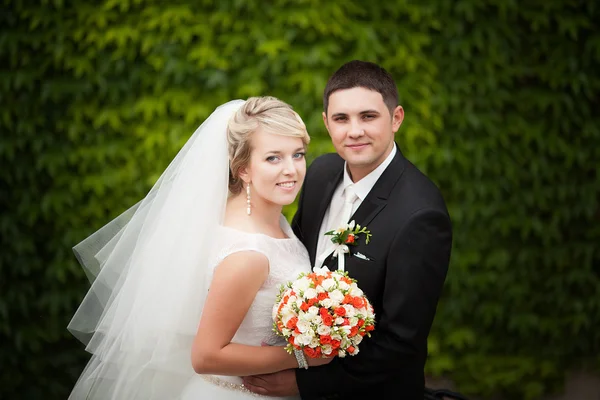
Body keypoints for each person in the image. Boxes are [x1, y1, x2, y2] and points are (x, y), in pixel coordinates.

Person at [67, 96, 329, 400]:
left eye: (297, 155)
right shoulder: (248, 254)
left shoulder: (268, 219)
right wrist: (305, 355)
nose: (291, 170)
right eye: (273, 158)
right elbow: (206, 357)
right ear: (243, 169)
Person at [242, 61, 453, 399]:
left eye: (368, 116)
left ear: (396, 118)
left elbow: (400, 345)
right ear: (327, 123)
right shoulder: (320, 172)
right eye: (341, 119)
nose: (354, 131)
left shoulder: (421, 216)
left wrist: (303, 383)